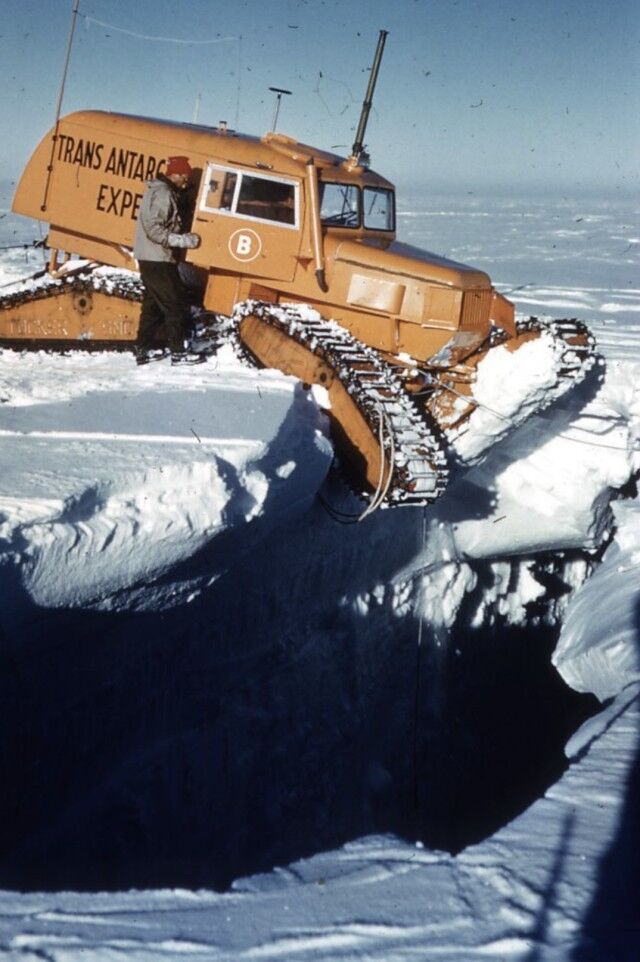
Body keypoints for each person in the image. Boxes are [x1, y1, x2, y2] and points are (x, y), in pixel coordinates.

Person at [133, 155, 205, 366]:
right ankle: (179, 353)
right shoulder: (164, 194)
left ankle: (142, 349)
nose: (186, 181)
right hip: (158, 258)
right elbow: (154, 229)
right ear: (178, 174)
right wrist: (183, 240)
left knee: (153, 306)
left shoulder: (160, 191)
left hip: (151, 257)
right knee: (175, 304)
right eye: (185, 176)